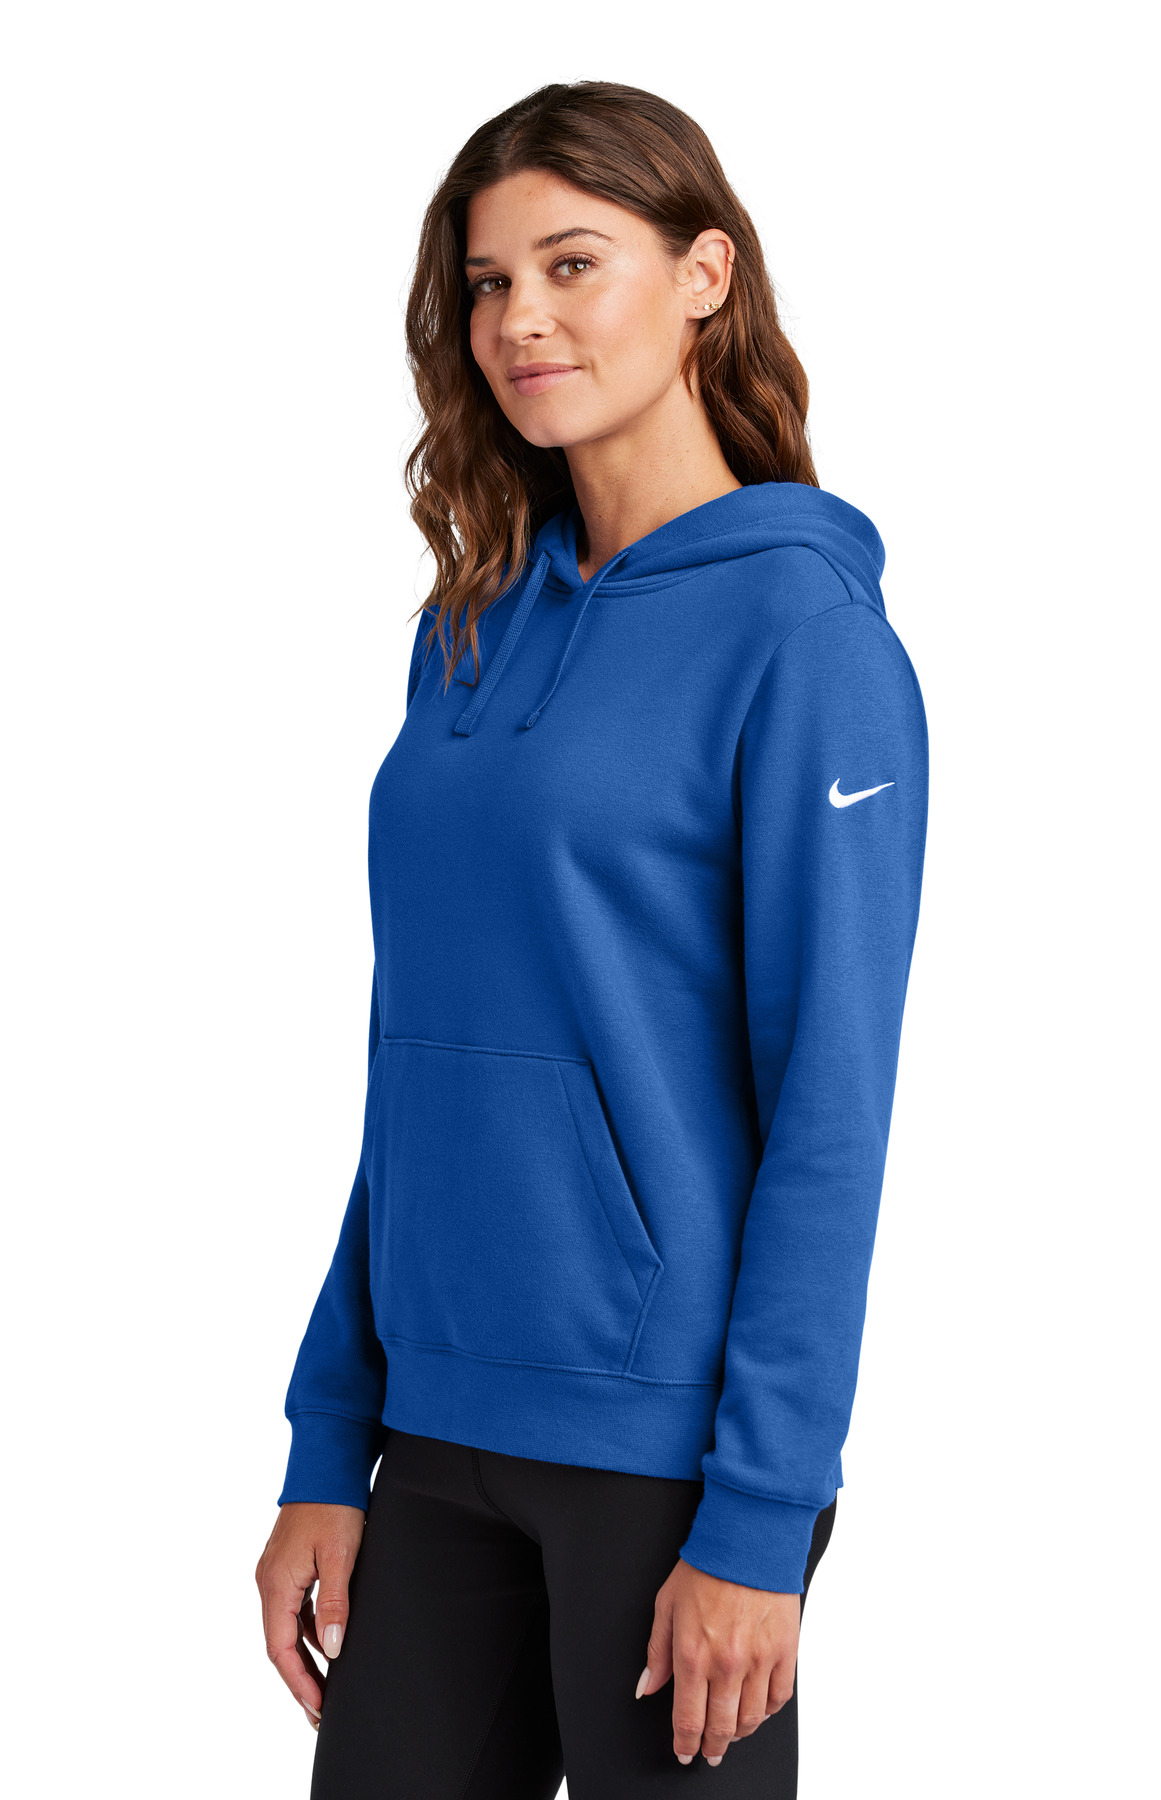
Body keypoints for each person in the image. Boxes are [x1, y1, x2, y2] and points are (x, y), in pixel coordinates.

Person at [255, 79, 928, 1798]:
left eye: (572, 264)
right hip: (436, 1429)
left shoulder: (807, 637)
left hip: (668, 1459)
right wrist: (331, 1434)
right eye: (488, 283)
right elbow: (413, 1066)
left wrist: (762, 1515)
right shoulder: (467, 630)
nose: (520, 321)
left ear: (705, 274)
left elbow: (831, 1107)